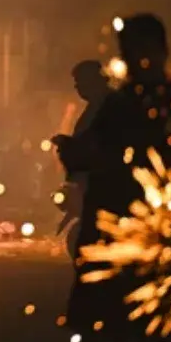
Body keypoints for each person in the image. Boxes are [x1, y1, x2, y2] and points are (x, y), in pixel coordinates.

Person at [52, 14, 171, 342]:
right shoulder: (169, 102)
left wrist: (73, 154)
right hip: (141, 231)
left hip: (142, 232)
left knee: (129, 333)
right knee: (141, 334)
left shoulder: (130, 105)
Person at [56, 60, 111, 246]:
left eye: (80, 82)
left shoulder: (108, 107)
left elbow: (97, 145)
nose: (77, 88)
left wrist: (69, 146)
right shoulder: (96, 107)